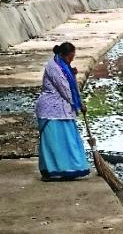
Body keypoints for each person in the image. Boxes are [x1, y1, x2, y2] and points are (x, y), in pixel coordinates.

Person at [35, 42, 90, 180]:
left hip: (63, 110)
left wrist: (73, 74)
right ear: (62, 54)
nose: (71, 60)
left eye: (73, 57)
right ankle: (53, 171)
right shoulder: (53, 67)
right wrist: (78, 105)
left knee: (68, 141)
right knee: (54, 143)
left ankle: (69, 168)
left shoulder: (63, 66)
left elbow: (71, 85)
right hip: (50, 111)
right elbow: (65, 89)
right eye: (70, 57)